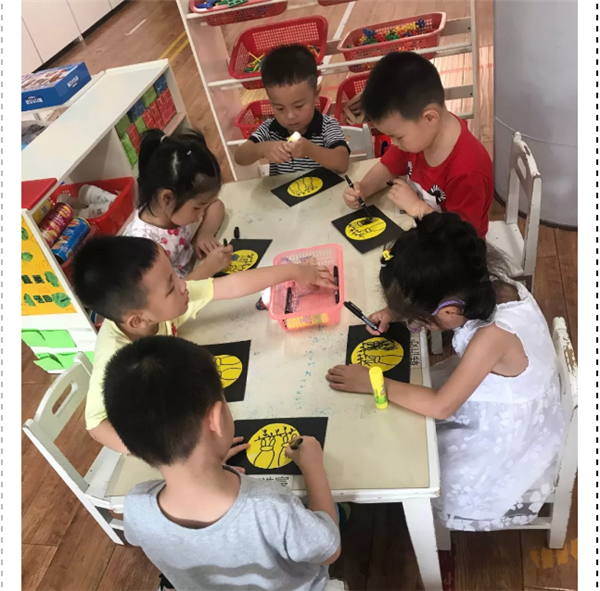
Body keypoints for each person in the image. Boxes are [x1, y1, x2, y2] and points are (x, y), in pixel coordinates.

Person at [326, 212, 564, 530]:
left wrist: (373, 382)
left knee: (414, 460)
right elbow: (435, 294)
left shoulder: (491, 338)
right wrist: (394, 312)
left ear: (450, 310)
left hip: (502, 436)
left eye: (419, 318)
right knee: (408, 413)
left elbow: (441, 406)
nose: (416, 323)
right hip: (499, 396)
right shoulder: (488, 284)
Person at [104, 336, 341, 591]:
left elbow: (139, 534)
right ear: (215, 420)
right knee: (332, 512)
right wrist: (313, 467)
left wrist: (210, 460)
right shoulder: (272, 507)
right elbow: (329, 551)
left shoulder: (136, 507)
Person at [72, 235, 336, 453]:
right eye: (171, 287)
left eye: (175, 275)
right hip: (160, 426)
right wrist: (185, 459)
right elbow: (95, 426)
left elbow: (230, 285)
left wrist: (295, 271)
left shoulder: (157, 307)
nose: (184, 285)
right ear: (139, 319)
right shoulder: (115, 358)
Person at [342, 52, 493, 237]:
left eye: (398, 136)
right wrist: (364, 189)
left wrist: (417, 208)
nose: (394, 143)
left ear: (430, 118)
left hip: (454, 248)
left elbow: (462, 240)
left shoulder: (468, 171)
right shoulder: (420, 137)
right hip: (421, 230)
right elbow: (388, 167)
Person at [125, 128, 232, 279]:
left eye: (203, 207)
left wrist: (204, 235)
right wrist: (208, 268)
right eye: (197, 207)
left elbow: (216, 205)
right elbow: (170, 292)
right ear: (167, 198)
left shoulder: (170, 209)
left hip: (195, 272)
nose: (201, 214)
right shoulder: (144, 246)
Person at [235, 45, 350, 175]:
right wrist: (261, 149)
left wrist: (310, 150)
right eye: (280, 108)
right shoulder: (269, 129)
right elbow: (240, 157)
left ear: (316, 94)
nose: (290, 116)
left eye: (298, 106)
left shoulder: (327, 126)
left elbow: (342, 163)